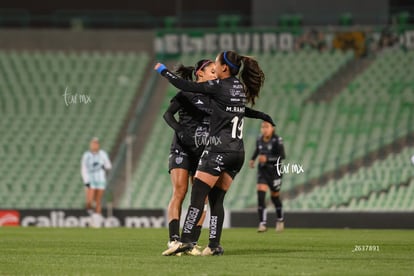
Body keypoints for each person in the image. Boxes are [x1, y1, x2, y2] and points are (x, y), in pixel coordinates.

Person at [155, 50, 266, 256]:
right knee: (215, 199)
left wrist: (163, 71)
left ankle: (187, 240)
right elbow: (238, 109)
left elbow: (184, 84)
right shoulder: (238, 87)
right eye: (211, 69)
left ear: (224, 68)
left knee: (198, 193)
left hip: (217, 149)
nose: (214, 71)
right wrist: (261, 115)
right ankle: (213, 245)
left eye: (216, 67)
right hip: (237, 151)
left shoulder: (217, 87)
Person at [162, 59, 217, 256]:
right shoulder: (186, 93)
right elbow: (168, 115)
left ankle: (191, 242)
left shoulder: (216, 97)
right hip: (182, 148)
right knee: (180, 190)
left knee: (200, 197)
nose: (215, 74)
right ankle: (173, 239)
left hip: (203, 151)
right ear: (199, 73)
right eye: (211, 71)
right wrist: (180, 130)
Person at [249, 121, 286, 233]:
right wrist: (253, 159)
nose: (264, 129)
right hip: (263, 172)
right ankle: (262, 224)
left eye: (267, 127)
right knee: (260, 197)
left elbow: (282, 156)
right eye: (263, 127)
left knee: (275, 197)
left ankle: (280, 219)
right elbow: (257, 150)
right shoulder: (259, 139)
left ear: (272, 128)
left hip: (275, 172)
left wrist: (268, 159)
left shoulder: (277, 140)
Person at [81, 137, 112, 228]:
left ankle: (96, 221)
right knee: (89, 201)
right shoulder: (86, 155)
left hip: (100, 180)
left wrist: (103, 166)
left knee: (98, 200)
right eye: (93, 143)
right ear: (90, 145)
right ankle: (91, 215)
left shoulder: (103, 154)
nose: (95, 145)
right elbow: (83, 168)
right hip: (90, 180)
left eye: (96, 143)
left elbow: (108, 165)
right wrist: (86, 180)